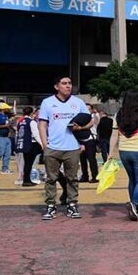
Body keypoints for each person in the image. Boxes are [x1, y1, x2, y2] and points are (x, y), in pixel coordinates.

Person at [38, 75, 92, 220]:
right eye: (64, 83)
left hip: (73, 147)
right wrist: (44, 144)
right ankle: (50, 205)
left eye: (69, 83)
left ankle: (72, 204)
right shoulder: (47, 103)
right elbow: (42, 125)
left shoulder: (78, 102)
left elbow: (90, 122)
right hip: (53, 147)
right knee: (51, 178)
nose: (68, 86)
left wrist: (81, 127)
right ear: (57, 86)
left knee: (72, 178)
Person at [106, 91, 138, 220]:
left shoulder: (118, 115)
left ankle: (135, 206)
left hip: (124, 151)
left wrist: (110, 153)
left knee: (132, 179)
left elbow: (114, 135)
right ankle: (134, 203)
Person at [15, 107, 43, 187]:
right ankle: (27, 180)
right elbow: (36, 134)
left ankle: (26, 179)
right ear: (31, 113)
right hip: (31, 144)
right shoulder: (31, 122)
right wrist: (42, 143)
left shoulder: (20, 121)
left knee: (26, 163)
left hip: (23, 144)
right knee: (29, 163)